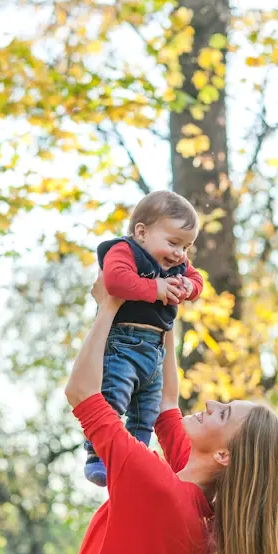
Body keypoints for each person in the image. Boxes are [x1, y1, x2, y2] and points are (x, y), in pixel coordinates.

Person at [63, 273, 278, 554]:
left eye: (223, 413)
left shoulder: (157, 489)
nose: (211, 404)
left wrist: (108, 305)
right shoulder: (202, 512)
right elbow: (165, 403)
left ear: (224, 456)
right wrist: (165, 319)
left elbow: (81, 391)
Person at [85, 190, 204, 486]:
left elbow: (199, 281)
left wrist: (187, 286)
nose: (179, 254)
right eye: (173, 243)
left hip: (155, 350)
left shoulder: (176, 265)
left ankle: (133, 458)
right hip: (123, 342)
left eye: (186, 247)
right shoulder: (124, 251)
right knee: (112, 395)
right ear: (141, 232)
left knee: (146, 412)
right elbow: (115, 281)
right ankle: (97, 455)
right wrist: (158, 290)